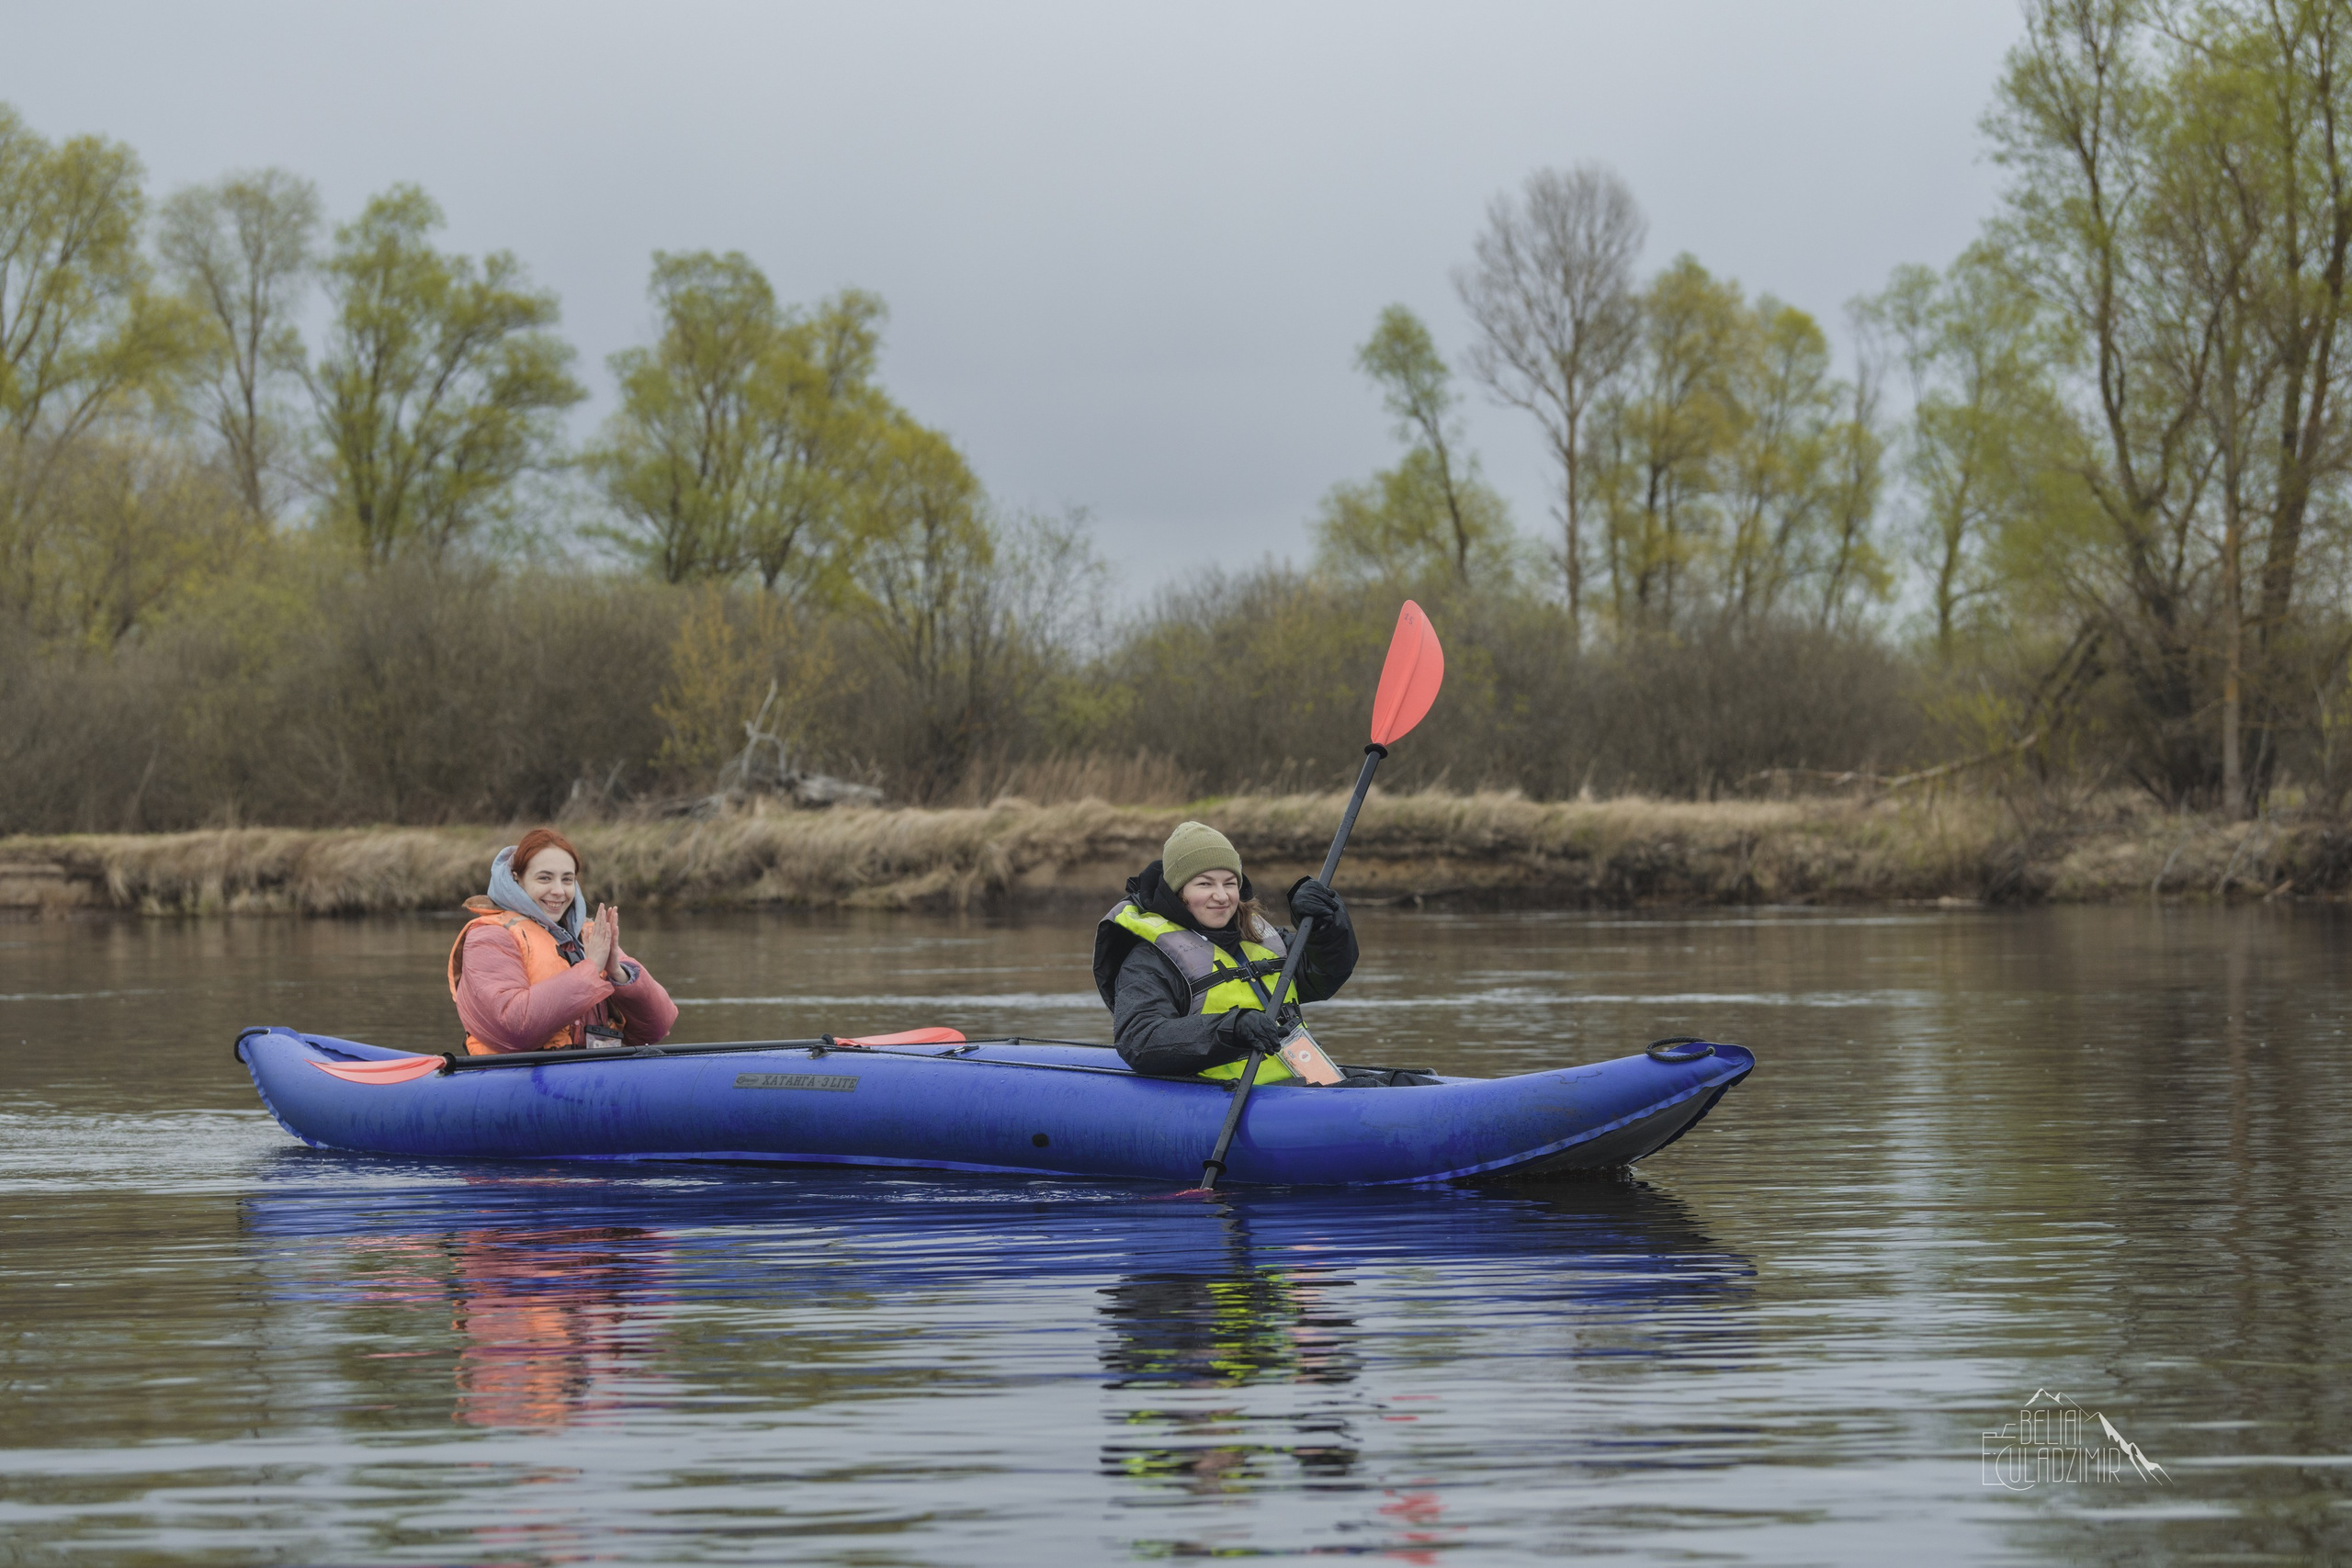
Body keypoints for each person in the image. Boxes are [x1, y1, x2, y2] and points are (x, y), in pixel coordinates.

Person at [1091, 819, 1360, 1086]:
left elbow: (1325, 976)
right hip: (1221, 1098)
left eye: (1229, 883)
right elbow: (1140, 1039)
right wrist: (1233, 1027)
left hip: (1303, 1083)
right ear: (1179, 891)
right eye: (1205, 884)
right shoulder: (1149, 960)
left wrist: (1324, 924)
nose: (1221, 896)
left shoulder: (1260, 937)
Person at [447, 828, 678, 1055]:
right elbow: (512, 1030)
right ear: (517, 879)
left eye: (567, 880)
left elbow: (656, 1029)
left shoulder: (586, 935)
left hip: (594, 1076)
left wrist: (618, 972)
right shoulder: (489, 937)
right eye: (545, 878)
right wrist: (591, 970)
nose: (558, 891)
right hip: (517, 1082)